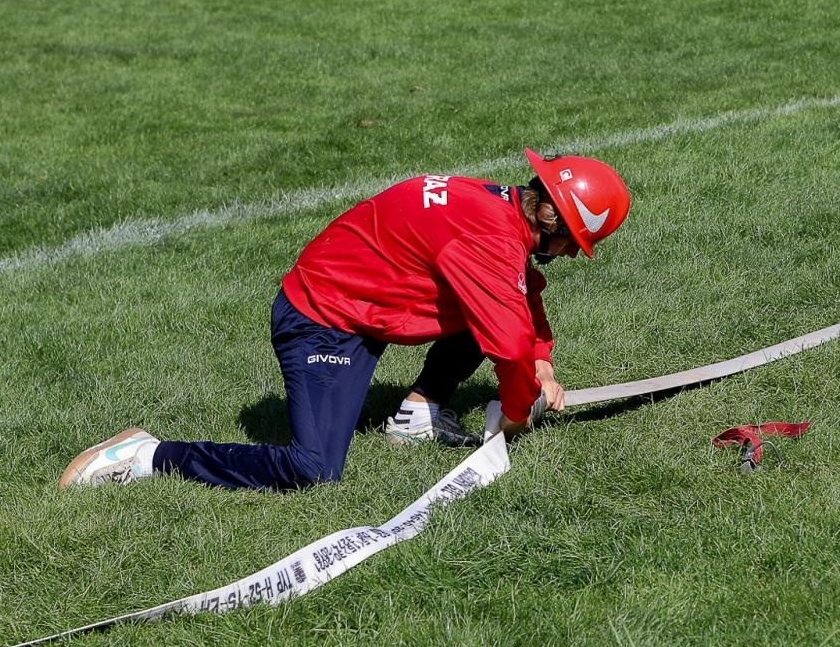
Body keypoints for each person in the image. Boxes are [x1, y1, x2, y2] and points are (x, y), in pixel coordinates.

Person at [58, 149, 630, 492]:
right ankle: (147, 455)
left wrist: (542, 361)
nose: (570, 256)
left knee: (497, 308)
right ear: (552, 219)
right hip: (323, 322)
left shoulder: (497, 207)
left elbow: (519, 294)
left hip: (360, 308)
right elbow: (507, 341)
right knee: (312, 469)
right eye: (574, 243)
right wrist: (518, 409)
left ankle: (420, 412)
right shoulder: (487, 235)